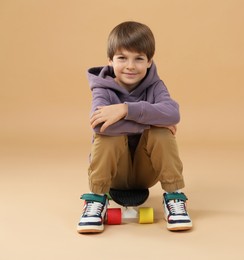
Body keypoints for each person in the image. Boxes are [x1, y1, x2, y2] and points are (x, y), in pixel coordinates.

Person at [77, 21, 192, 233]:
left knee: (161, 133)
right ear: (110, 61)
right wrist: (153, 118)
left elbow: (173, 114)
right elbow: (100, 126)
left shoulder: (156, 86)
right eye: (122, 58)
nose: (130, 66)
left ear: (149, 62)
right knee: (109, 133)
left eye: (138, 59)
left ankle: (174, 197)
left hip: (145, 171)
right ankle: (96, 200)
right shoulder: (102, 89)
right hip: (114, 173)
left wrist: (125, 110)